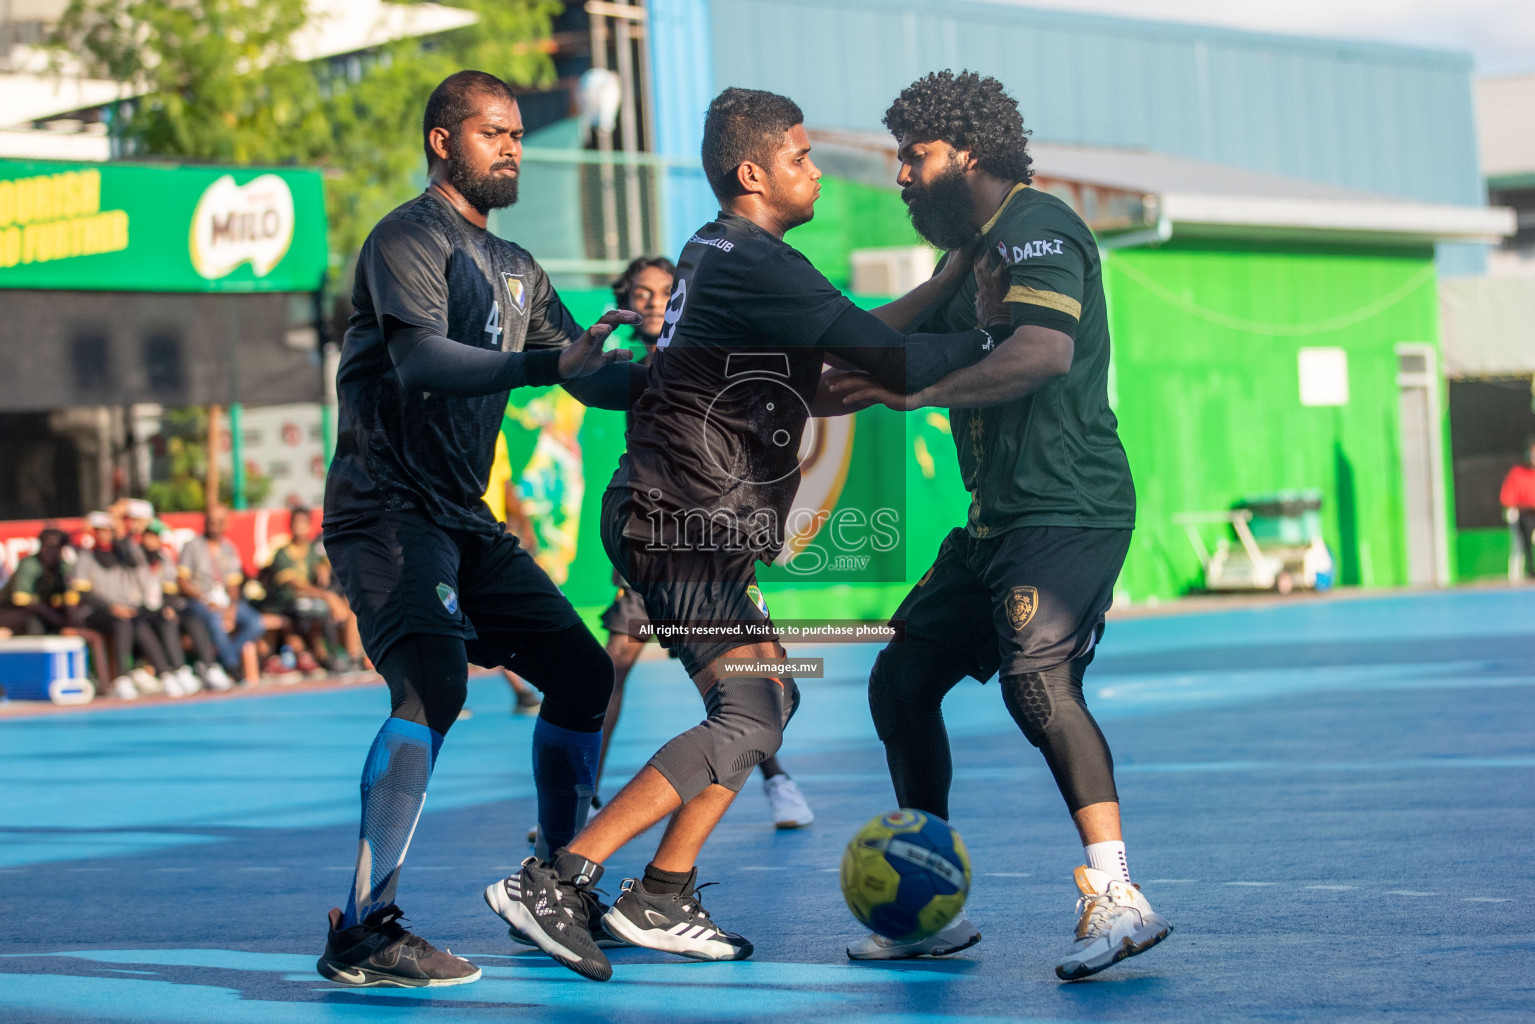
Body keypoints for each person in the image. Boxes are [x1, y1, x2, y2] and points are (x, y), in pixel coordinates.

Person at [495, 87, 1007, 983]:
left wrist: (946, 280)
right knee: (750, 709)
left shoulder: (724, 250)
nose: (814, 172)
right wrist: (1018, 340)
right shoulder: (753, 260)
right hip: (676, 523)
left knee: (768, 703)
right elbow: (878, 355)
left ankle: (662, 893)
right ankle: (557, 876)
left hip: (686, 523)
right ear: (753, 172)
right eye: (802, 158)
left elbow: (852, 342)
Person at [827, 70, 1171, 978]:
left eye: (915, 156)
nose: (900, 175)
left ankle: (1116, 894)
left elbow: (1041, 350)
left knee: (1036, 677)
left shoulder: (1036, 228)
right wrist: (780, 361)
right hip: (995, 527)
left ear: (965, 153)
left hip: (1072, 509)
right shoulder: (967, 253)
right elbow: (876, 337)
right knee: (900, 682)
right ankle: (925, 903)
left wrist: (912, 391)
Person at [315, 69, 644, 988]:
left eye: (516, 135)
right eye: (492, 132)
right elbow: (420, 360)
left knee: (582, 679)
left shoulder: (518, 267)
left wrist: (680, 381)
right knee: (432, 685)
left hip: (463, 518)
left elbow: (582, 371)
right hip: (386, 508)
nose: (511, 147)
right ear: (441, 141)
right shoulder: (406, 238)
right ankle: (363, 931)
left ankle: (556, 884)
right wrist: (545, 363)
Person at [593, 255, 814, 829]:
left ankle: (778, 780)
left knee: (754, 684)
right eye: (640, 293)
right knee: (618, 666)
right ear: (624, 301)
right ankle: (582, 799)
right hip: (654, 545)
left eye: (664, 292)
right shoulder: (627, 369)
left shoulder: (699, 362)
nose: (651, 302)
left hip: (710, 543)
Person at [74, 511, 189, 699]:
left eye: (108, 531)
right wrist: (111, 607)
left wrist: (127, 528)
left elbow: (135, 557)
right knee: (122, 621)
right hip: (95, 612)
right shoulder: (85, 558)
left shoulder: (122, 556)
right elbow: (83, 594)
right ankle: (121, 678)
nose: (104, 535)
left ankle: (165, 673)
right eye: (100, 531)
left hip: (125, 611)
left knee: (138, 622)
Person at [263, 507, 363, 673]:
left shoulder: (313, 550)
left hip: (312, 601)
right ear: (290, 526)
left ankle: (354, 657)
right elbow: (295, 585)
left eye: (303, 523)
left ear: (309, 526)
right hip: (287, 604)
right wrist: (328, 596)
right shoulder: (282, 554)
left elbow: (325, 568)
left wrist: (323, 571)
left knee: (348, 606)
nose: (299, 527)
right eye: (295, 523)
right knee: (324, 610)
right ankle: (331, 658)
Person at [178, 505, 265, 685]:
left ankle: (221, 660)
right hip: (199, 601)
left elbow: (233, 582)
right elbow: (182, 581)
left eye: (218, 521)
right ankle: (232, 667)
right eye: (210, 520)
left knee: (255, 622)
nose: (213, 524)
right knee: (215, 619)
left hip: (224, 601)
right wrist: (205, 598)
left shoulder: (229, 548)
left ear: (226, 524)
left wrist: (232, 606)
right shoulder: (192, 546)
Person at [139, 519, 230, 691]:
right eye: (147, 537)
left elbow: (169, 589)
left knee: (192, 616)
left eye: (154, 537)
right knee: (167, 620)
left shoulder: (163, 559)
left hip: (162, 606)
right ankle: (176, 669)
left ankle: (208, 666)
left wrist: (169, 605)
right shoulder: (136, 559)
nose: (150, 541)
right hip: (142, 609)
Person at [1500, 436, 1535, 579]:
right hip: (1524, 515)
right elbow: (1507, 499)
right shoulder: (1517, 473)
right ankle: (1529, 570)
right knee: (1523, 542)